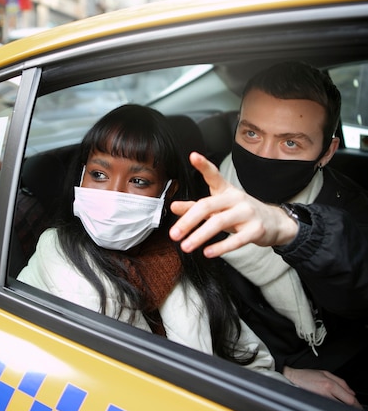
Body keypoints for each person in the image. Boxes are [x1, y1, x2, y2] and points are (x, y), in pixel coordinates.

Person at [17, 104, 288, 380]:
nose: (114, 194)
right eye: (99, 174)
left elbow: (240, 352)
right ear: (82, 176)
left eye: (138, 180)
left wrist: (284, 378)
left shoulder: (181, 255)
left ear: (169, 192)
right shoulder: (59, 258)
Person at [169, 61, 368, 409]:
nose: (263, 154)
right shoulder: (196, 193)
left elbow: (359, 293)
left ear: (327, 152)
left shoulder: (350, 205)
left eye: (290, 143)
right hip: (248, 374)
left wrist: (292, 232)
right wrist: (279, 370)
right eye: (251, 134)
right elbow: (190, 309)